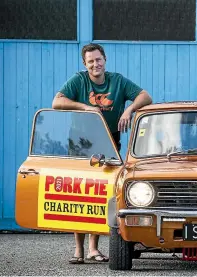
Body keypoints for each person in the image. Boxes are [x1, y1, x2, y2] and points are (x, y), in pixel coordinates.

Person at [52, 43, 152, 264]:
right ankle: (78, 250)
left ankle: (93, 249)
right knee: (79, 195)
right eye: (90, 61)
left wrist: (129, 109)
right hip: (80, 143)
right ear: (84, 64)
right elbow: (57, 102)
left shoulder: (117, 81)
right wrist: (86, 108)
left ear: (104, 59)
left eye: (98, 59)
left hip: (108, 142)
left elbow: (146, 96)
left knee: (99, 195)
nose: (95, 64)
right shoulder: (79, 80)